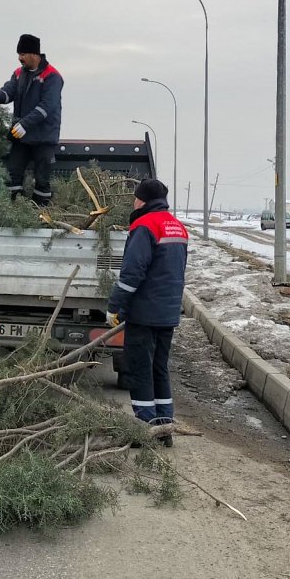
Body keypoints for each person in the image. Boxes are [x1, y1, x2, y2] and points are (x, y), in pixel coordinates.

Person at [106, 178, 188, 446]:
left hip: (144, 312)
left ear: (142, 200)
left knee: (140, 370)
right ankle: (165, 429)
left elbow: (132, 274)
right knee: (159, 369)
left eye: (135, 197)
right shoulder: (177, 228)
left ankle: (144, 431)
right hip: (167, 313)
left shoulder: (144, 226)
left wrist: (114, 306)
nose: (133, 201)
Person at [0, 33, 63, 206]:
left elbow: (47, 106)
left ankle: (41, 212)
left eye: (22, 54)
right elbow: (8, 93)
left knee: (42, 180)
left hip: (44, 137)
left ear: (34, 54)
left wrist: (25, 124)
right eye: (19, 54)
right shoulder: (18, 74)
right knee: (12, 175)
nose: (19, 58)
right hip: (21, 136)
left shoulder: (53, 76)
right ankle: (13, 210)